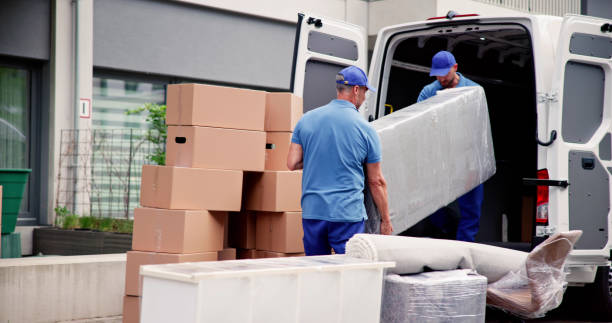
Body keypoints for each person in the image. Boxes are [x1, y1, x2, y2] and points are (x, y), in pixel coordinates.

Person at [287, 65, 393, 256]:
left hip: (313, 211)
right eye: (365, 91)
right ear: (355, 90)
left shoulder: (307, 119)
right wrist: (386, 220)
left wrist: (317, 156)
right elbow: (376, 181)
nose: (365, 97)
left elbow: (292, 163)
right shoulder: (365, 129)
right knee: (350, 271)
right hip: (346, 214)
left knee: (316, 270)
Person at [417, 50, 484, 242]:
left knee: (471, 210)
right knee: (430, 206)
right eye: (437, 74)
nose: (441, 78)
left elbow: (479, 132)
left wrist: (474, 167)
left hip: (467, 159)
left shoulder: (474, 91)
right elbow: (418, 126)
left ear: (455, 68)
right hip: (439, 160)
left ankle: (464, 251)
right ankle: (451, 230)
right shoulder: (428, 92)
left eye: (444, 73)